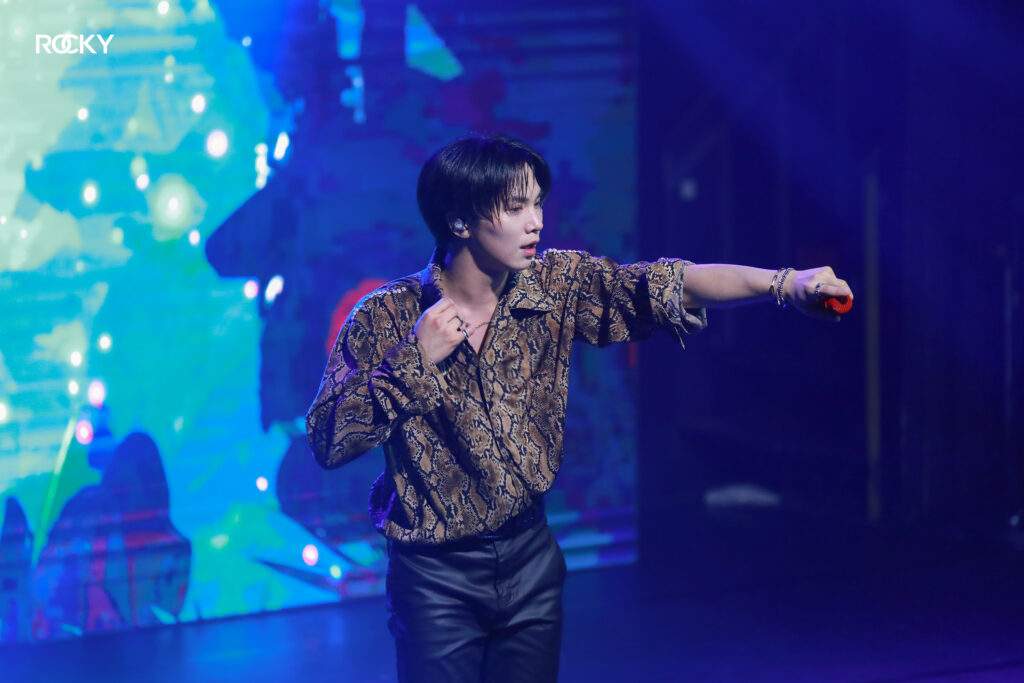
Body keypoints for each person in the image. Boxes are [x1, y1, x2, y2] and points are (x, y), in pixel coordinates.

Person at [305, 133, 853, 682]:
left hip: (530, 562)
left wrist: (787, 284)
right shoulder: (388, 317)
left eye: (538, 203)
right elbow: (329, 440)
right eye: (515, 207)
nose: (535, 222)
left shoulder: (555, 285)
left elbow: (665, 284)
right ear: (459, 220)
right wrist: (413, 360)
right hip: (435, 578)